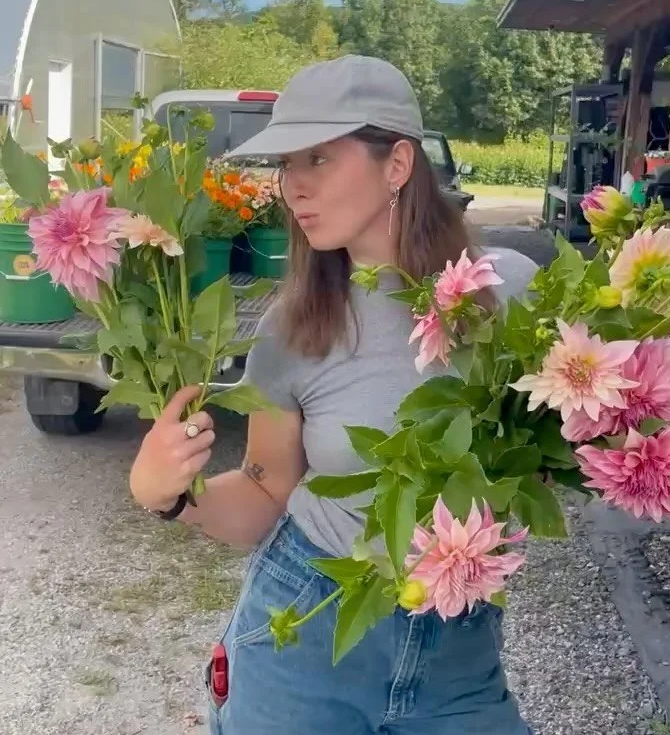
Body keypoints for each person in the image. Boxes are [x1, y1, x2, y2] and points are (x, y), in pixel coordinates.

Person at [129, 55, 538, 735]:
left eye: (318, 158)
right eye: (286, 164)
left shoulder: (508, 290)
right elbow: (266, 492)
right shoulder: (296, 327)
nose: (293, 187)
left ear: (397, 163)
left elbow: (588, 430)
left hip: (458, 647)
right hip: (308, 630)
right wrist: (168, 495)